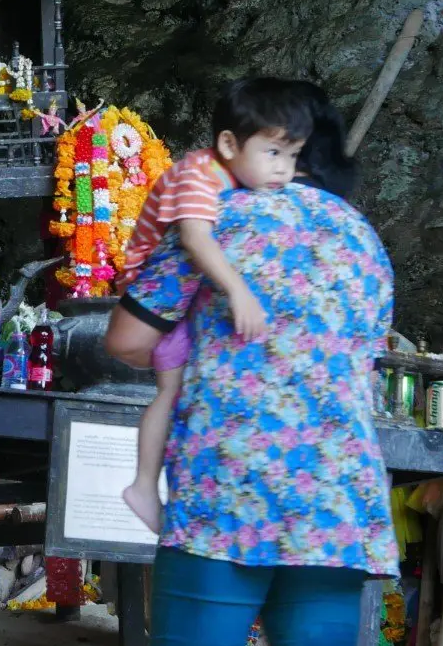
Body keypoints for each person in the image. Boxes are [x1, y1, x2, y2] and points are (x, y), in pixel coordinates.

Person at [102, 89, 399, 646]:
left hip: (227, 489)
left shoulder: (219, 220)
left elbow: (127, 338)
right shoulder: (360, 236)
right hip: (335, 497)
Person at [121, 77, 312, 534]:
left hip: (189, 295)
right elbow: (195, 238)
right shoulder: (198, 175)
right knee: (171, 392)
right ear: (229, 143)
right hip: (160, 298)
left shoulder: (236, 176)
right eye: (273, 154)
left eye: (292, 157)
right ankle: (143, 486)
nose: (284, 169)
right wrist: (239, 291)